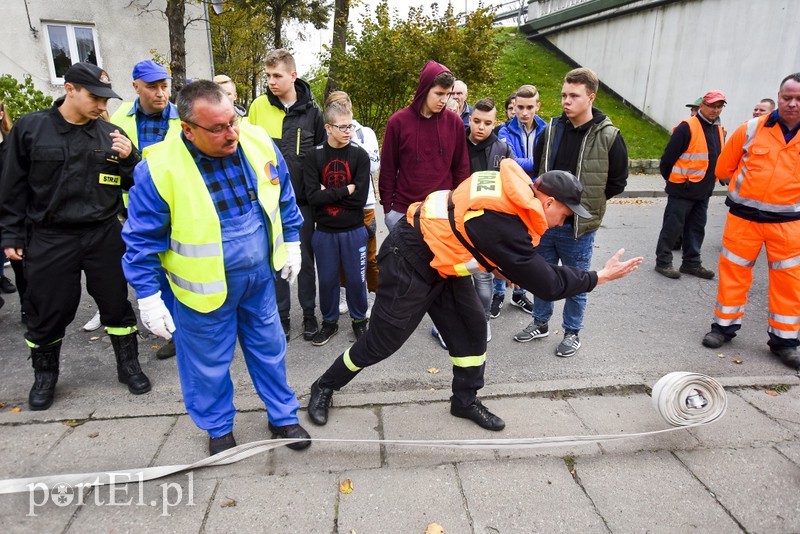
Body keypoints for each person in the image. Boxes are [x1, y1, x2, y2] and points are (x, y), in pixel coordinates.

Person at [306, 160, 643, 431]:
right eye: (564, 216)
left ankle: (464, 401)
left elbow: (473, 231)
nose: (559, 224)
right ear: (549, 201)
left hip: (443, 262)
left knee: (472, 330)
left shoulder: (515, 193)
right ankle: (324, 385)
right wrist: (599, 276)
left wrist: (502, 264)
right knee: (382, 341)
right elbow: (549, 284)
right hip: (410, 258)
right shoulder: (507, 223)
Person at [122, 80, 311, 455]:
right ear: (187, 129)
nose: (231, 133)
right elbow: (141, 241)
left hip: (258, 281)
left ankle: (283, 415)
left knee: (269, 349)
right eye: (218, 128)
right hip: (201, 290)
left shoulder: (256, 141)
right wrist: (148, 296)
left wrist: (292, 241)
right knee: (206, 365)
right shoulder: (159, 168)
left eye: (233, 121)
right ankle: (218, 427)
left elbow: (283, 194)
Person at [0, 62, 150, 410]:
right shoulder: (31, 129)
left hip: (103, 233)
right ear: (70, 90)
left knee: (116, 303)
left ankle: (128, 366)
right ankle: (45, 375)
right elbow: (11, 187)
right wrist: (11, 234)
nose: (102, 105)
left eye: (106, 98)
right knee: (49, 308)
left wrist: (130, 159)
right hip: (51, 236)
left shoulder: (110, 134)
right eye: (95, 97)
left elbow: (136, 183)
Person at [516, 68, 628, 357]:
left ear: (590, 97)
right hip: (545, 220)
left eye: (574, 96)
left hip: (579, 227)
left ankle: (572, 332)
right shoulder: (550, 130)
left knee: (578, 281)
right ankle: (540, 322)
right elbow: (540, 172)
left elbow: (617, 181)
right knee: (542, 275)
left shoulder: (609, 136)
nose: (566, 101)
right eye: (564, 94)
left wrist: (590, 206)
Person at [702, 73, 800, 369]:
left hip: (788, 225)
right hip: (743, 221)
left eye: (798, 99)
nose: (792, 104)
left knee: (789, 284)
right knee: (734, 275)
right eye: (787, 97)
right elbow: (724, 167)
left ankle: (785, 342)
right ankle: (723, 328)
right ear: (778, 96)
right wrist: (744, 193)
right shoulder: (751, 129)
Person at [94, 59, 183, 360]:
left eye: (164, 86)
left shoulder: (182, 118)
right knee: (151, 272)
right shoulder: (119, 119)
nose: (161, 93)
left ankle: (185, 330)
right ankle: (170, 328)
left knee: (182, 272)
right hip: (137, 212)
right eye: (152, 87)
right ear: (135, 87)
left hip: (178, 209)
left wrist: (133, 155)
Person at [248, 49, 326, 342]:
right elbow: (249, 152)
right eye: (267, 76)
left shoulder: (313, 113)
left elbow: (320, 158)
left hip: (302, 202)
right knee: (276, 260)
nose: (271, 81)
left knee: (304, 260)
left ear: (293, 75)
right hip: (268, 202)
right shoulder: (257, 107)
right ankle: (281, 316)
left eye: (277, 75)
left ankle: (308, 314)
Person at [303, 96, 370, 346]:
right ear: (328, 127)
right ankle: (329, 322)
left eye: (350, 126)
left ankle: (359, 321)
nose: (348, 131)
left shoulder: (359, 156)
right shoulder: (314, 156)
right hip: (325, 232)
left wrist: (328, 194)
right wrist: (346, 189)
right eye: (342, 127)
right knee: (328, 280)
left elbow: (359, 200)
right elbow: (312, 198)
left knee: (356, 279)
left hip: (354, 230)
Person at [379, 61, 469, 231]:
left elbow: (461, 169)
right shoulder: (398, 122)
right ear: (425, 89)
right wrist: (388, 210)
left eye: (448, 94)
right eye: (439, 93)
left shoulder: (454, 122)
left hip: (442, 212)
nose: (444, 100)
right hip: (404, 211)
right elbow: (388, 169)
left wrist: (458, 206)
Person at [654, 90, 726, 280]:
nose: (715, 110)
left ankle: (691, 263)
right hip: (683, 188)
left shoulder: (718, 129)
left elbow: (717, 156)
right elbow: (667, 160)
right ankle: (663, 261)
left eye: (719, 107)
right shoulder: (688, 126)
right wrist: (675, 181)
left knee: (696, 227)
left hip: (704, 189)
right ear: (701, 105)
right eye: (711, 105)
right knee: (672, 227)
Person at [325, 92, 381, 319]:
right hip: (337, 204)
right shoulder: (327, 134)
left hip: (364, 204)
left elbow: (374, 166)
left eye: (344, 105)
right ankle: (343, 293)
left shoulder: (364, 133)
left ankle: (373, 293)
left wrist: (352, 141)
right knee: (339, 255)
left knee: (368, 255)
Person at [497, 84, 548, 316]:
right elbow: (510, 161)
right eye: (520, 107)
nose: (524, 112)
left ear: (537, 106)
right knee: (503, 247)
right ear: (514, 107)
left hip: (536, 195)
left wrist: (531, 165)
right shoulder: (505, 131)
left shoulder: (547, 130)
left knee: (530, 248)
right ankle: (498, 295)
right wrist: (535, 163)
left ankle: (519, 294)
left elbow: (547, 163)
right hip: (513, 195)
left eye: (529, 107)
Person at [465, 97, 513, 342]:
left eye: (487, 123)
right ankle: (455, 320)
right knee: (456, 275)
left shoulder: (502, 149)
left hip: (486, 223)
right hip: (457, 220)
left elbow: (511, 185)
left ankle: (483, 320)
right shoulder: (457, 142)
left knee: (482, 275)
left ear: (495, 123)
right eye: (476, 121)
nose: (480, 127)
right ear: (470, 119)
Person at [0, 98, 22, 313]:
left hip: (7, 206)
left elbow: (16, 182)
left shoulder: (11, 142)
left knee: (19, 263)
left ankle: (27, 308)